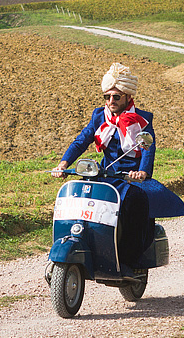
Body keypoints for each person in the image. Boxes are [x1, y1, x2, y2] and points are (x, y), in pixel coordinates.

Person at [52, 63, 156, 274]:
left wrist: (142, 172)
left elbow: (147, 148)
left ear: (127, 96)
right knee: (82, 199)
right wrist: (63, 164)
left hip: (130, 177)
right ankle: (86, 246)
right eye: (107, 97)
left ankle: (129, 261)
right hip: (105, 173)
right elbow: (82, 141)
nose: (111, 102)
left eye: (116, 97)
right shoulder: (99, 116)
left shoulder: (142, 120)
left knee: (135, 202)